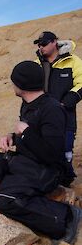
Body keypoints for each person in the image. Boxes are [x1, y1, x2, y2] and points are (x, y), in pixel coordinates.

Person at [0, 61, 82, 243]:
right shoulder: (27, 103)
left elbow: (52, 154)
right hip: (23, 160)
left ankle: (66, 216)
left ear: (23, 85)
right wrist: (12, 137)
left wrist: (25, 133)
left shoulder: (52, 109)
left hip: (46, 170)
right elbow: (29, 136)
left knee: (1, 201)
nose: (12, 85)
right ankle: (17, 192)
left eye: (14, 82)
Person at [33, 31, 82, 185]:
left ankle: (66, 183)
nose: (41, 47)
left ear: (55, 42)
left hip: (65, 116)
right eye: (39, 44)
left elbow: (81, 83)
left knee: (66, 152)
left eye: (44, 43)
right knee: (43, 152)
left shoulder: (72, 61)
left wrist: (67, 102)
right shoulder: (37, 63)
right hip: (42, 116)